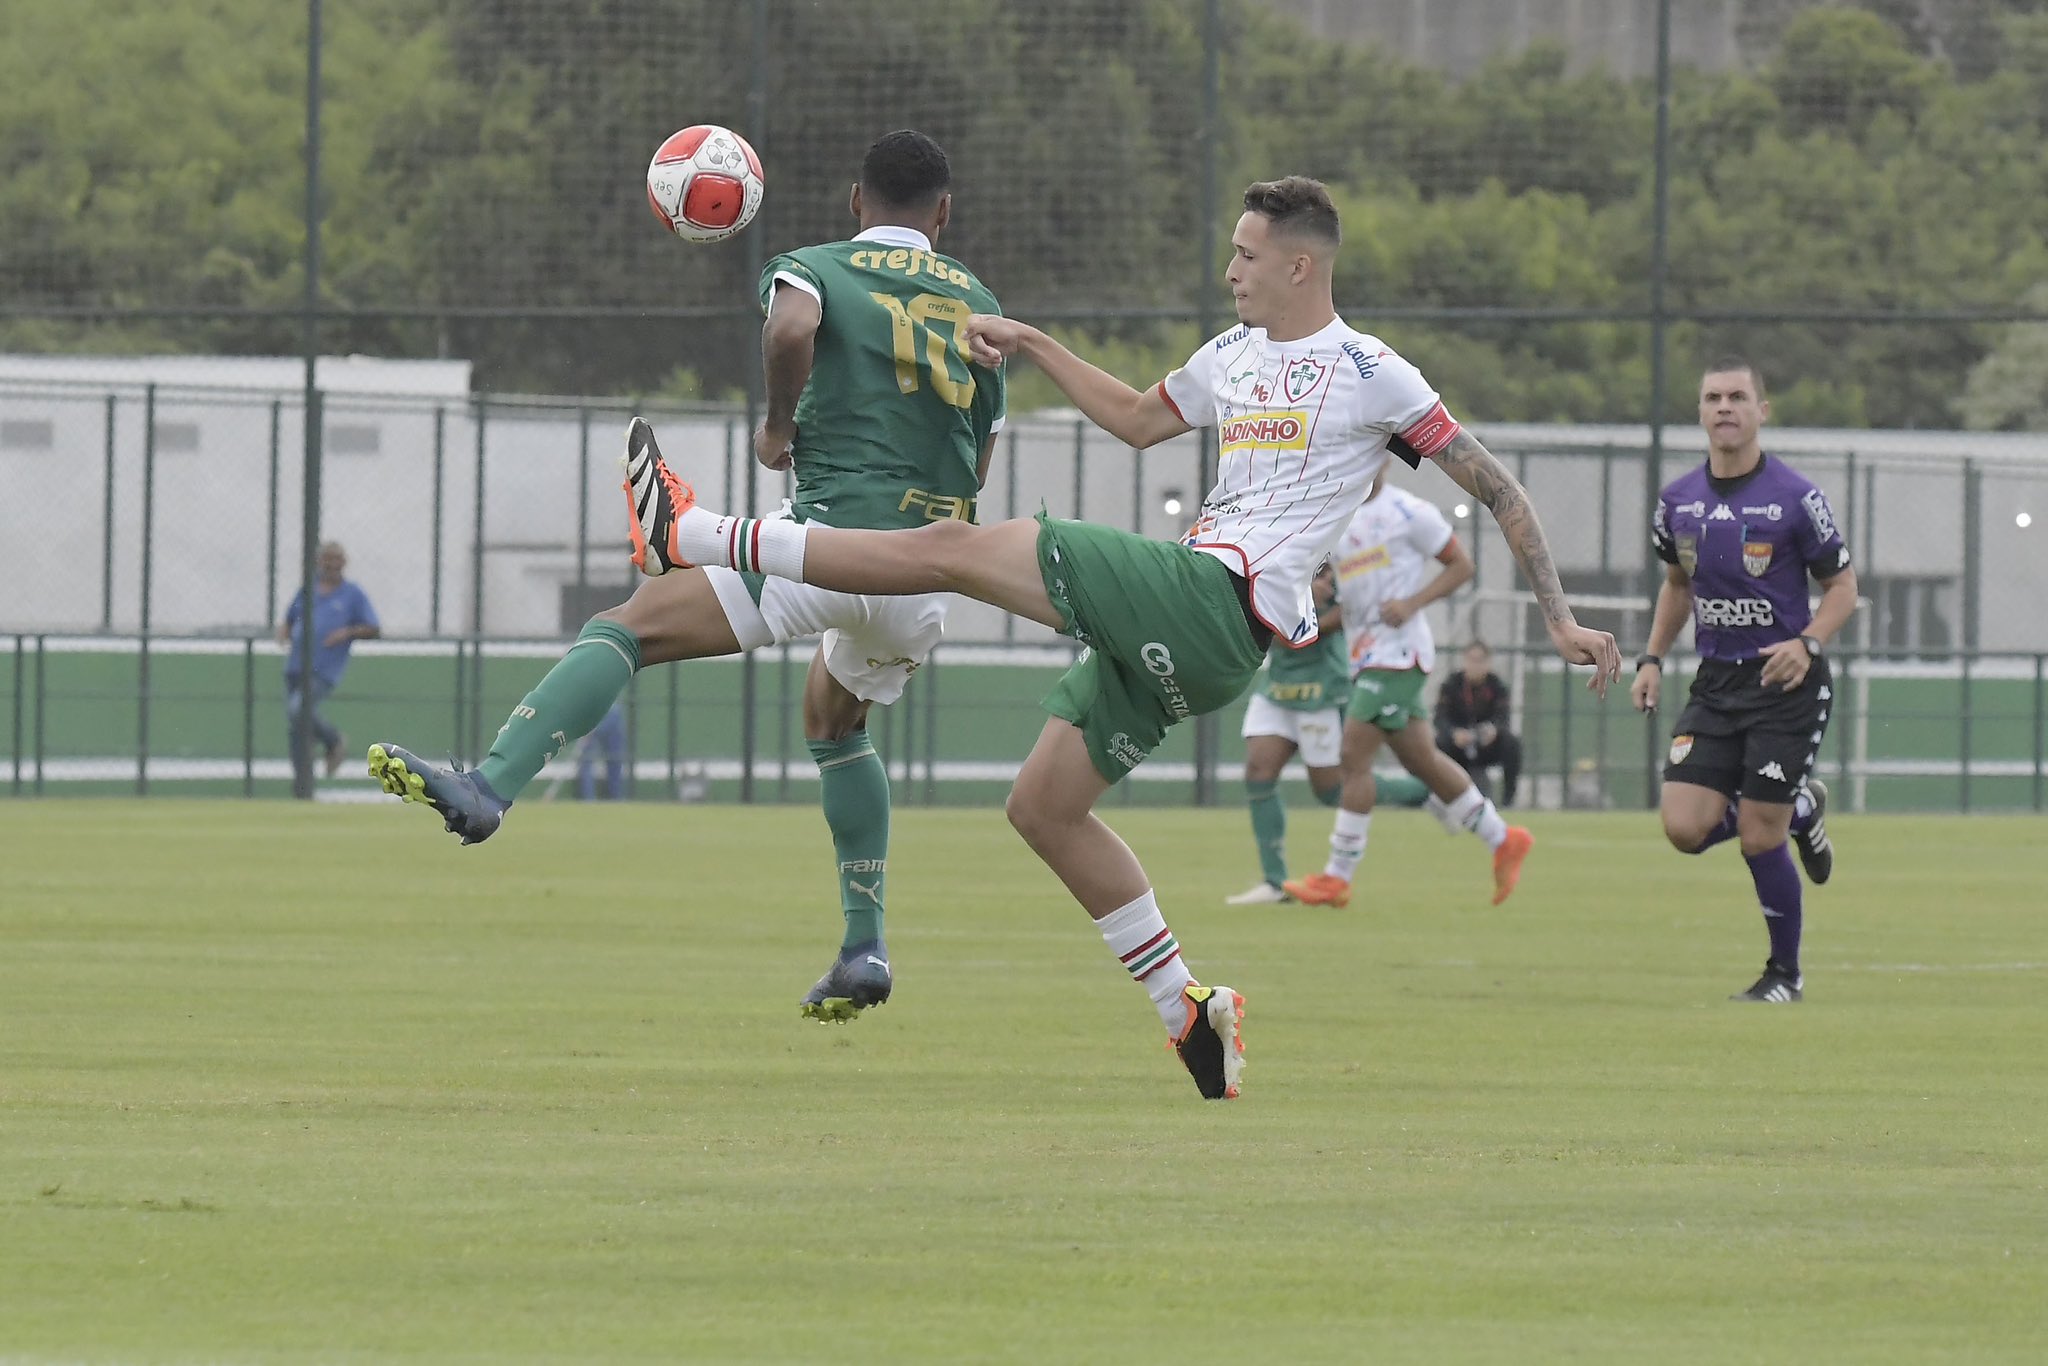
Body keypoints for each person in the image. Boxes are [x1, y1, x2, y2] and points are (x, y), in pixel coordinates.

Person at [624, 176, 1622, 1098]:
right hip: (1206, 637)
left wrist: (1559, 617)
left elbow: (1498, 489)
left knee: (951, 547)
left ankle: (695, 534)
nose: (1229, 269)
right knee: (1042, 808)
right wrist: (1035, 343)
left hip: (1213, 600)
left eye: (1245, 254)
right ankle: (1188, 1009)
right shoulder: (1229, 356)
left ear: (1298, 265)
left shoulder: (1374, 373)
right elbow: (1140, 421)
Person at [367, 130, 1004, 1022]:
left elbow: (792, 326)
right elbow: (980, 452)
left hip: (827, 543)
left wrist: (778, 427)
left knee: (624, 627)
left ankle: (490, 787)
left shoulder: (816, 265)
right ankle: (864, 949)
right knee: (834, 721)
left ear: (856, 202)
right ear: (945, 213)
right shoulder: (980, 303)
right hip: (927, 569)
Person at [1632, 357, 1855, 1004]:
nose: (1725, 407)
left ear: (1762, 411)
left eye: (1737, 396)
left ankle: (1784, 976)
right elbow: (1678, 585)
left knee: (1759, 834)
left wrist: (1808, 642)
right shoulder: (1677, 501)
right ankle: (1799, 810)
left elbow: (1842, 587)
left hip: (1786, 685)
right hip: (1716, 685)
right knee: (1683, 829)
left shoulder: (1796, 498)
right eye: (1713, 398)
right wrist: (1651, 659)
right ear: (1701, 412)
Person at [1282, 470, 1534, 908]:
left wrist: (1412, 603)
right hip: (1367, 656)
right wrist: (1314, 625)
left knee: (1352, 757)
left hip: (1398, 656)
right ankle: (1503, 838)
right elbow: (1352, 601)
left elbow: (1462, 565)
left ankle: (1337, 877)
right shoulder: (1337, 515)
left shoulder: (1409, 512)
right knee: (1423, 761)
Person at [1226, 564, 1430, 906]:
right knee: (1258, 772)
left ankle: (1426, 791)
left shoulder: (1345, 560)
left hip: (1321, 689)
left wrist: (1309, 604)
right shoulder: (1279, 554)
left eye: (1323, 577)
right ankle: (1275, 882)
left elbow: (1343, 614)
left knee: (1332, 790)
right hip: (1277, 687)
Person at [278, 541, 380, 789]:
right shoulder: (308, 589)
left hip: (324, 670)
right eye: (327, 559)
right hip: (296, 666)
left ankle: (334, 740)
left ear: (343, 563)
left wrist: (346, 633)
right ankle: (302, 783)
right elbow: (290, 617)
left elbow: (373, 628)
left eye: (336, 559)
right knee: (297, 727)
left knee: (298, 709)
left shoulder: (352, 594)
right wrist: (285, 631)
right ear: (318, 562)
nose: (332, 564)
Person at [1435, 640, 1522, 806]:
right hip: (1458, 745)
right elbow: (1440, 719)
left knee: (1512, 743)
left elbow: (1503, 717)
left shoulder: (1497, 686)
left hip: (1486, 745)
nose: (1475, 665)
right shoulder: (1451, 685)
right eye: (1471, 660)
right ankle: (1441, 798)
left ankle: (1508, 801)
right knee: (1438, 744)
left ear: (1488, 663)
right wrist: (1454, 733)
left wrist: (1493, 730)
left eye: (1480, 660)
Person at [576, 702, 629, 801]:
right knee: (587, 762)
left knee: (614, 761)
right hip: (594, 713)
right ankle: (589, 799)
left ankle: (615, 797)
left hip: (608, 714)